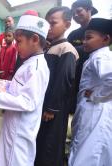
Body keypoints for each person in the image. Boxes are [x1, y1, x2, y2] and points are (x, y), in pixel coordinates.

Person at [0, 14, 50, 166]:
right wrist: (2, 85)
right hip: (13, 122)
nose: (16, 46)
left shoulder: (37, 68)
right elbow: (18, 87)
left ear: (34, 39)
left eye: (18, 42)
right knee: (5, 157)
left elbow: (27, 102)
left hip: (20, 130)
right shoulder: (29, 62)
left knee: (14, 160)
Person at [35, 7, 79, 166]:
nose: (48, 26)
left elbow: (63, 81)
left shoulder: (66, 49)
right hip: (45, 103)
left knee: (50, 142)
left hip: (55, 108)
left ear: (67, 25)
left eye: (53, 23)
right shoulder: (49, 47)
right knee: (42, 138)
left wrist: (51, 108)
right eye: (46, 23)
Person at [68, 18, 112, 166]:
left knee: (88, 152)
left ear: (105, 39)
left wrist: (96, 95)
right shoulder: (95, 56)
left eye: (89, 37)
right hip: (90, 109)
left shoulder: (101, 57)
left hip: (94, 111)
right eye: (84, 38)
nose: (84, 41)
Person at [67, 0, 98, 111]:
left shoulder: (100, 30)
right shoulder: (73, 35)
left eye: (79, 11)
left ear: (89, 10)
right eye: (73, 12)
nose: (75, 15)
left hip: (95, 78)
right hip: (76, 78)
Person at [13, 10, 39, 76]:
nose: (16, 46)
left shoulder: (36, 67)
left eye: (19, 41)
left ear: (34, 40)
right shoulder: (23, 52)